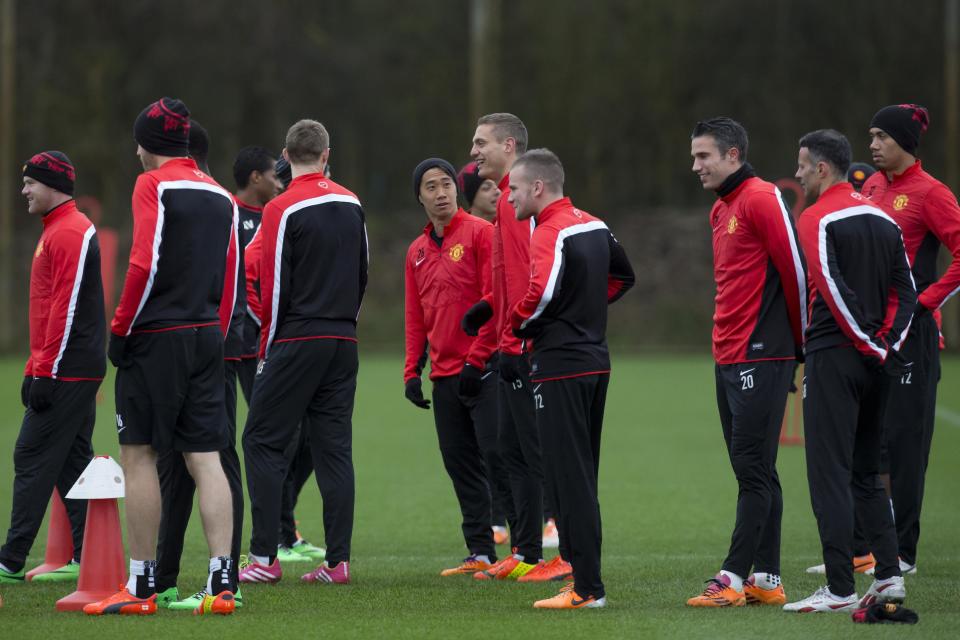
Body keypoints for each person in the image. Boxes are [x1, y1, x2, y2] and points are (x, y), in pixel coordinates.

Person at [85, 97, 239, 616]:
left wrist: (120, 328)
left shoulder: (152, 184)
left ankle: (142, 583)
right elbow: (230, 278)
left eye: (139, 142)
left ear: (150, 145)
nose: (135, 151)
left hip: (156, 335)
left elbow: (143, 261)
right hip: (205, 337)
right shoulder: (222, 194)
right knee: (206, 457)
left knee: (140, 454)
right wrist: (214, 334)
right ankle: (222, 581)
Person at [784, 129, 916, 613]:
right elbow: (907, 291)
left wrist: (863, 341)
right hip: (879, 359)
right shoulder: (885, 217)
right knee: (865, 473)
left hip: (837, 355)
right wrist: (886, 345)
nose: (796, 173)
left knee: (829, 474)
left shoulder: (816, 217)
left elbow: (830, 286)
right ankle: (888, 577)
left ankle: (839, 588)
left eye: (801, 164)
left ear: (822, 168)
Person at [241, 119, 367, 586]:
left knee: (261, 440)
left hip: (296, 338)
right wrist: (345, 326)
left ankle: (263, 559)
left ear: (286, 155)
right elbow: (362, 273)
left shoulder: (282, 206)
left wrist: (267, 348)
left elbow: (274, 285)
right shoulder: (352, 202)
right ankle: (338, 563)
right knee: (335, 450)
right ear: (327, 154)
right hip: (343, 339)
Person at [686, 117, 806, 608]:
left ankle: (733, 577)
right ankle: (769, 580)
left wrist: (801, 350)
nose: (695, 165)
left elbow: (795, 273)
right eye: (694, 156)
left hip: (764, 353)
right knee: (755, 470)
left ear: (733, 155)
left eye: (703, 156)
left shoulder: (760, 197)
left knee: (754, 470)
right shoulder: (721, 209)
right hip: (728, 354)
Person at [507, 148, 634, 609]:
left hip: (562, 365)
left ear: (538, 187)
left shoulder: (551, 230)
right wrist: (586, 312)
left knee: (568, 479)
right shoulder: (594, 223)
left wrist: (516, 330)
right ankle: (583, 579)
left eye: (515, 190)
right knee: (578, 476)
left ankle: (587, 589)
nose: (510, 199)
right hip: (595, 362)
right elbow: (623, 276)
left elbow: (538, 295)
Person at [153, 135, 264, 611]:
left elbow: (232, 286)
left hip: (207, 352)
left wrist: (218, 345)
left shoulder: (207, 204)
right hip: (199, 349)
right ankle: (165, 576)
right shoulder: (203, 202)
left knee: (216, 458)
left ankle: (225, 578)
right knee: (176, 464)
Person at [463, 113, 570, 582]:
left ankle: (563, 555)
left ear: (509, 145)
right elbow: (509, 282)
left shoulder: (527, 201)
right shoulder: (506, 202)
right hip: (511, 347)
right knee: (512, 451)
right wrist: (490, 312)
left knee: (541, 453)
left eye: (480, 143)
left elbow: (539, 280)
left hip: (530, 350)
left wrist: (517, 341)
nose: (473, 152)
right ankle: (527, 551)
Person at [862, 104, 960, 575]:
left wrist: (926, 302)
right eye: (871, 136)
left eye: (882, 136)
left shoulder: (933, 193)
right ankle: (868, 548)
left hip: (913, 333)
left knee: (904, 444)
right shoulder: (872, 187)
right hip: (871, 332)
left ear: (905, 141)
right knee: (868, 440)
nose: (873, 145)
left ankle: (902, 553)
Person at [0, 153, 105, 585]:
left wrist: (46, 371)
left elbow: (67, 308)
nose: (23, 190)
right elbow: (47, 311)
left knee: (31, 453)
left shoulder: (72, 231)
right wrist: (33, 366)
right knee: (72, 463)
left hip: (69, 369)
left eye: (30, 183)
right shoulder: (54, 230)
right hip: (61, 365)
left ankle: (11, 559)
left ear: (52, 185)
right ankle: (87, 555)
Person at [404, 157, 502, 575]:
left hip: (484, 369)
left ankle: (527, 552)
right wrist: (412, 371)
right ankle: (480, 552)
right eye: (431, 186)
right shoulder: (417, 252)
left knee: (499, 458)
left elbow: (496, 300)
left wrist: (476, 360)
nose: (441, 192)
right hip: (444, 378)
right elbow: (416, 316)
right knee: (460, 464)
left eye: (446, 184)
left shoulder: (482, 233)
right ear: (420, 197)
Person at [455, 160, 513, 546]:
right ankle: (495, 522)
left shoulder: (509, 228)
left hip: (502, 351)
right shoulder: (466, 237)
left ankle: (542, 518)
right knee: (479, 449)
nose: (496, 192)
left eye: (497, 186)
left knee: (510, 442)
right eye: (486, 187)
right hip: (467, 359)